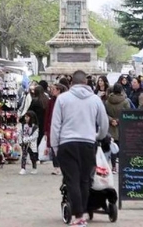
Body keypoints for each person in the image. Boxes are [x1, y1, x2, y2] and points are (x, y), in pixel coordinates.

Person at [50, 70, 110, 226]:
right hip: (88, 143)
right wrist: (98, 137)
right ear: (86, 82)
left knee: (72, 180)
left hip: (67, 143)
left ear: (71, 83)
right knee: (84, 180)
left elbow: (55, 125)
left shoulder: (62, 99)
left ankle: (78, 216)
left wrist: (55, 146)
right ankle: (81, 213)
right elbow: (104, 124)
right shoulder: (95, 100)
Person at [104, 83, 131, 173]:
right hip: (121, 126)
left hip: (110, 126)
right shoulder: (125, 101)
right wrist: (118, 120)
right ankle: (124, 166)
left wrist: (112, 120)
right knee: (121, 146)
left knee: (112, 147)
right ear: (121, 90)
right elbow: (128, 113)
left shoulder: (107, 101)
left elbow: (104, 114)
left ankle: (113, 167)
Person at [44, 80, 68, 176]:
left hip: (63, 126)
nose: (52, 91)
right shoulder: (51, 101)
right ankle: (56, 166)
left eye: (54, 89)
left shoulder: (65, 101)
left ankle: (62, 165)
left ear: (59, 91)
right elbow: (47, 115)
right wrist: (46, 129)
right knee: (54, 146)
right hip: (52, 126)